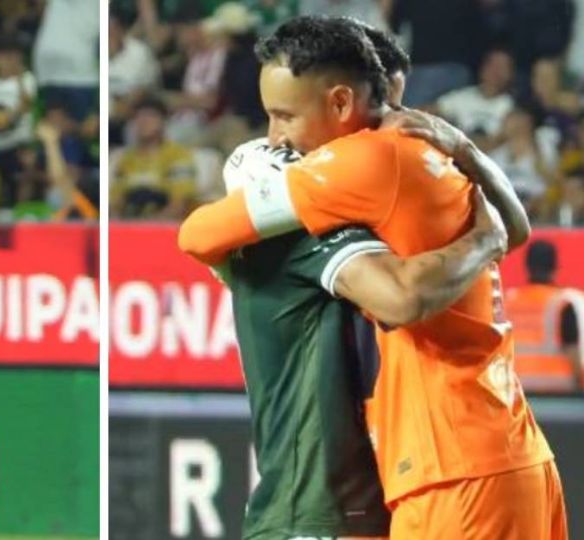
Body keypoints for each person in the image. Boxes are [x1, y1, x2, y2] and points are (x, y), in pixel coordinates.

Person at [181, 16, 563, 539]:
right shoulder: (431, 149)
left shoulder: (360, 161)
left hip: (452, 471)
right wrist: (468, 155)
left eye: (284, 116)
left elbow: (197, 233)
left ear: (341, 102)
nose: (276, 137)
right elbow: (513, 230)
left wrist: (263, 186)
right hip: (508, 452)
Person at [506, 239, 584, 392]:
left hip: (515, 392)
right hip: (557, 394)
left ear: (527, 266)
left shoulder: (508, 301)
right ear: (555, 267)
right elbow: (573, 352)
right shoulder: (562, 304)